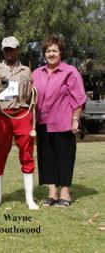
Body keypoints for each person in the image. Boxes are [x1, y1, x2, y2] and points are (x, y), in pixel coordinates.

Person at [32, 35, 87, 207]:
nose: (51, 54)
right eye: (48, 51)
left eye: (54, 50)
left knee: (64, 158)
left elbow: (79, 98)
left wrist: (75, 120)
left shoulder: (70, 72)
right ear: (44, 54)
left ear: (61, 52)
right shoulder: (36, 73)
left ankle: (65, 193)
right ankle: (52, 193)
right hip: (42, 123)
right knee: (47, 158)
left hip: (64, 122)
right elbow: (31, 97)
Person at [0, 36, 39, 210]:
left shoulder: (26, 70)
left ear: (18, 49)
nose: (10, 53)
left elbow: (31, 93)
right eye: (7, 50)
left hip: (22, 114)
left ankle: (29, 199)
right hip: (2, 116)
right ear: (3, 51)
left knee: (27, 154)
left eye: (13, 49)